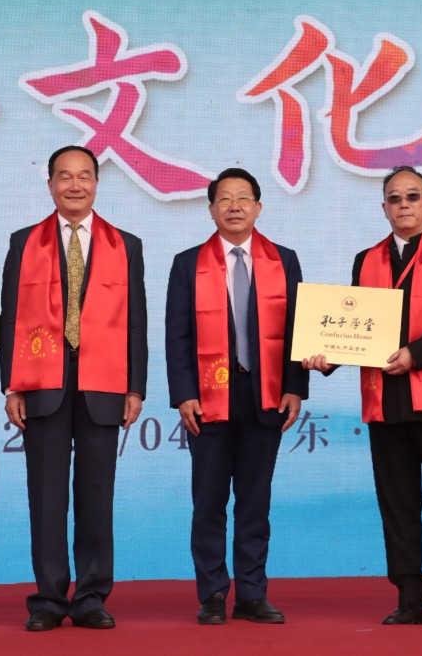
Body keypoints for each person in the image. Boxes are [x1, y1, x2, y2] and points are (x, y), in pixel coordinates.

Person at [304, 166, 422, 626]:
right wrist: (327, 358)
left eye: (412, 196)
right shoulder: (366, 260)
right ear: (383, 208)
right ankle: (409, 597)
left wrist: (416, 354)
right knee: (398, 505)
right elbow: (355, 327)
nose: (403, 204)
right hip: (386, 402)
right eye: (394, 198)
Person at [0, 145, 146, 632]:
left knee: (96, 497)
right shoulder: (25, 242)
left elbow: (137, 321)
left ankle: (90, 597)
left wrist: (135, 387)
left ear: (97, 184)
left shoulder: (126, 244)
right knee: (45, 497)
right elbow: (11, 317)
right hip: (42, 384)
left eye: (84, 176)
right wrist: (11, 385)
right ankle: (47, 598)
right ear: (50, 185)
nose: (75, 185)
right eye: (65, 176)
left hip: (104, 386)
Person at [164, 167, 308, 625]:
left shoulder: (284, 260)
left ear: (258, 208)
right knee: (208, 501)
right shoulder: (187, 264)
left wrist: (295, 387)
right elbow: (176, 335)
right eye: (224, 199)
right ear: (211, 210)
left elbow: (297, 330)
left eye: (243, 198)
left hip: (265, 396)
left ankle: (251, 593)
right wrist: (183, 393)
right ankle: (211, 594)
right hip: (208, 398)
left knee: (255, 503)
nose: (234, 206)